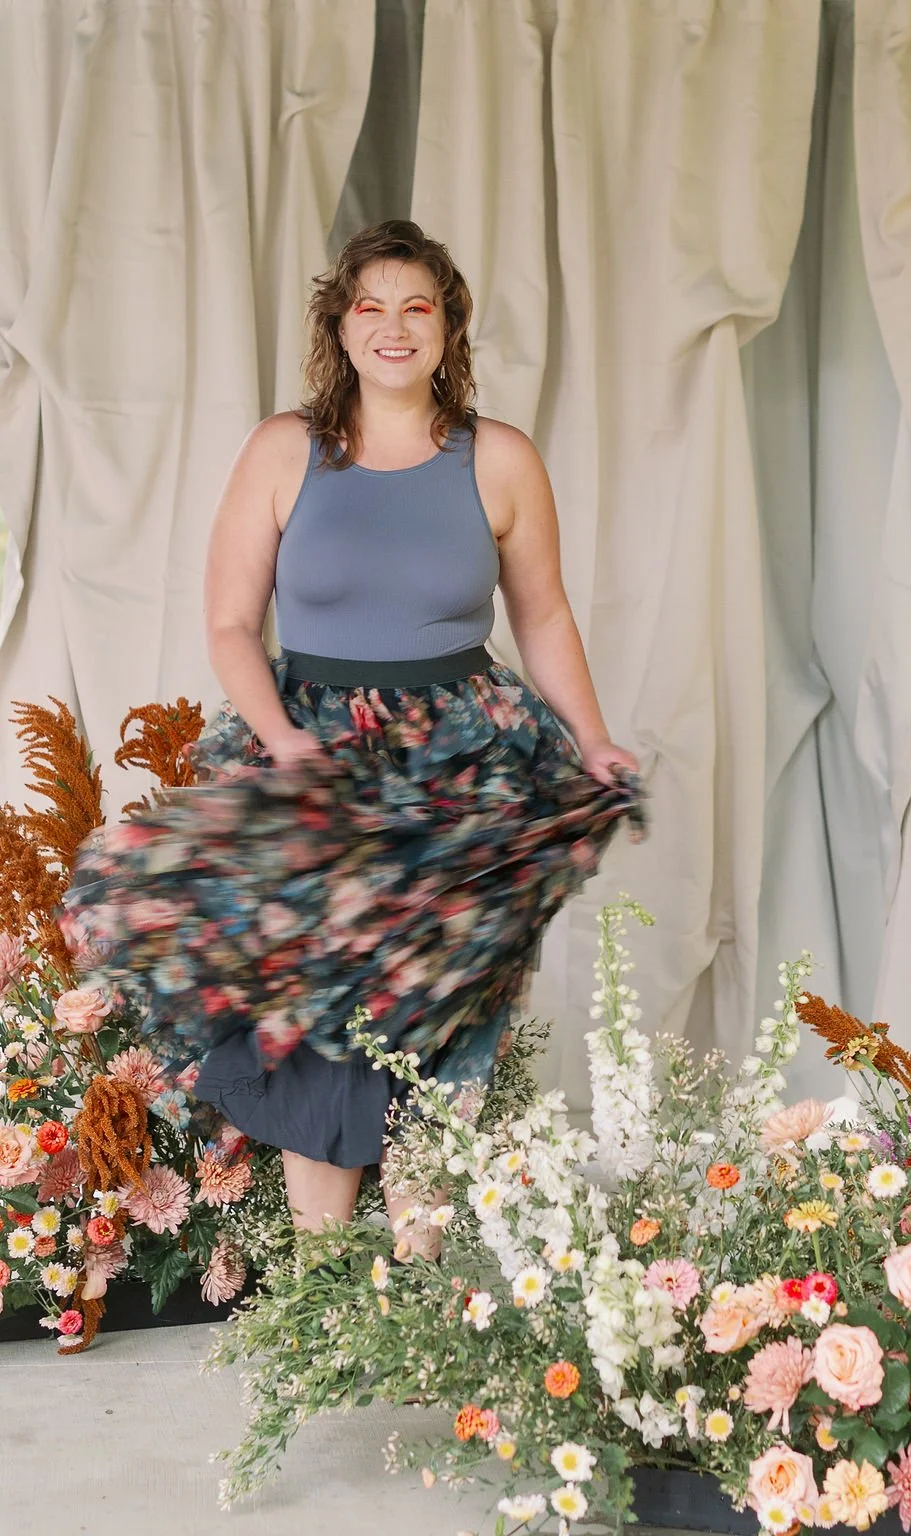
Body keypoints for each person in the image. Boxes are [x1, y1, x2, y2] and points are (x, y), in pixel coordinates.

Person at [64, 220, 644, 1253]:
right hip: (317, 748)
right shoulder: (285, 450)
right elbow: (231, 624)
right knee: (325, 1023)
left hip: (459, 762)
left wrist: (592, 741)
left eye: (416, 305)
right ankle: (327, 1282)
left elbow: (544, 617)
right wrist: (284, 742)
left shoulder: (498, 458)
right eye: (369, 304)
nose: (392, 325)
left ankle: (412, 1281)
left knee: (440, 1021)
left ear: (446, 326)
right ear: (339, 323)